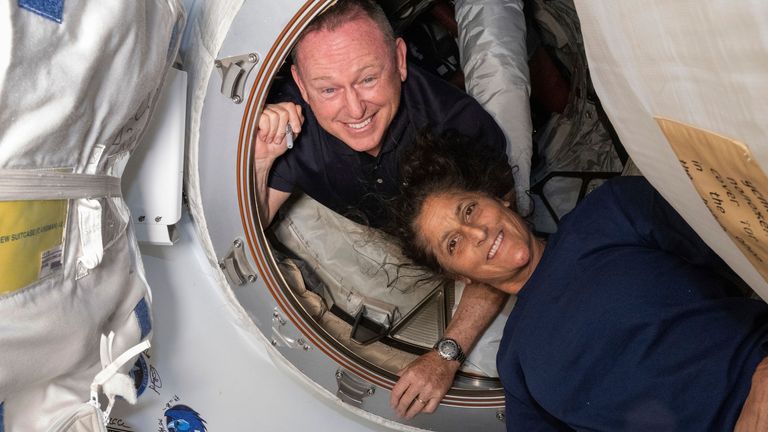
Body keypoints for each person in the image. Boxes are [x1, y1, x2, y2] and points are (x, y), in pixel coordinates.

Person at [389, 131, 768, 430]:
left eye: (469, 209)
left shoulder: (609, 214)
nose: (476, 233)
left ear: (498, 198)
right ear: (460, 276)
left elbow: (749, 243)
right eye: (453, 243)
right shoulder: (516, 367)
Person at [252, 0, 513, 418]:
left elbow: (505, 252)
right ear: (301, 85)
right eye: (328, 89)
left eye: (368, 78)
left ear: (400, 59)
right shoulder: (291, 124)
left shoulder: (458, 127)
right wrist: (263, 157)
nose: (354, 109)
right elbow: (251, 225)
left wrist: (447, 354)